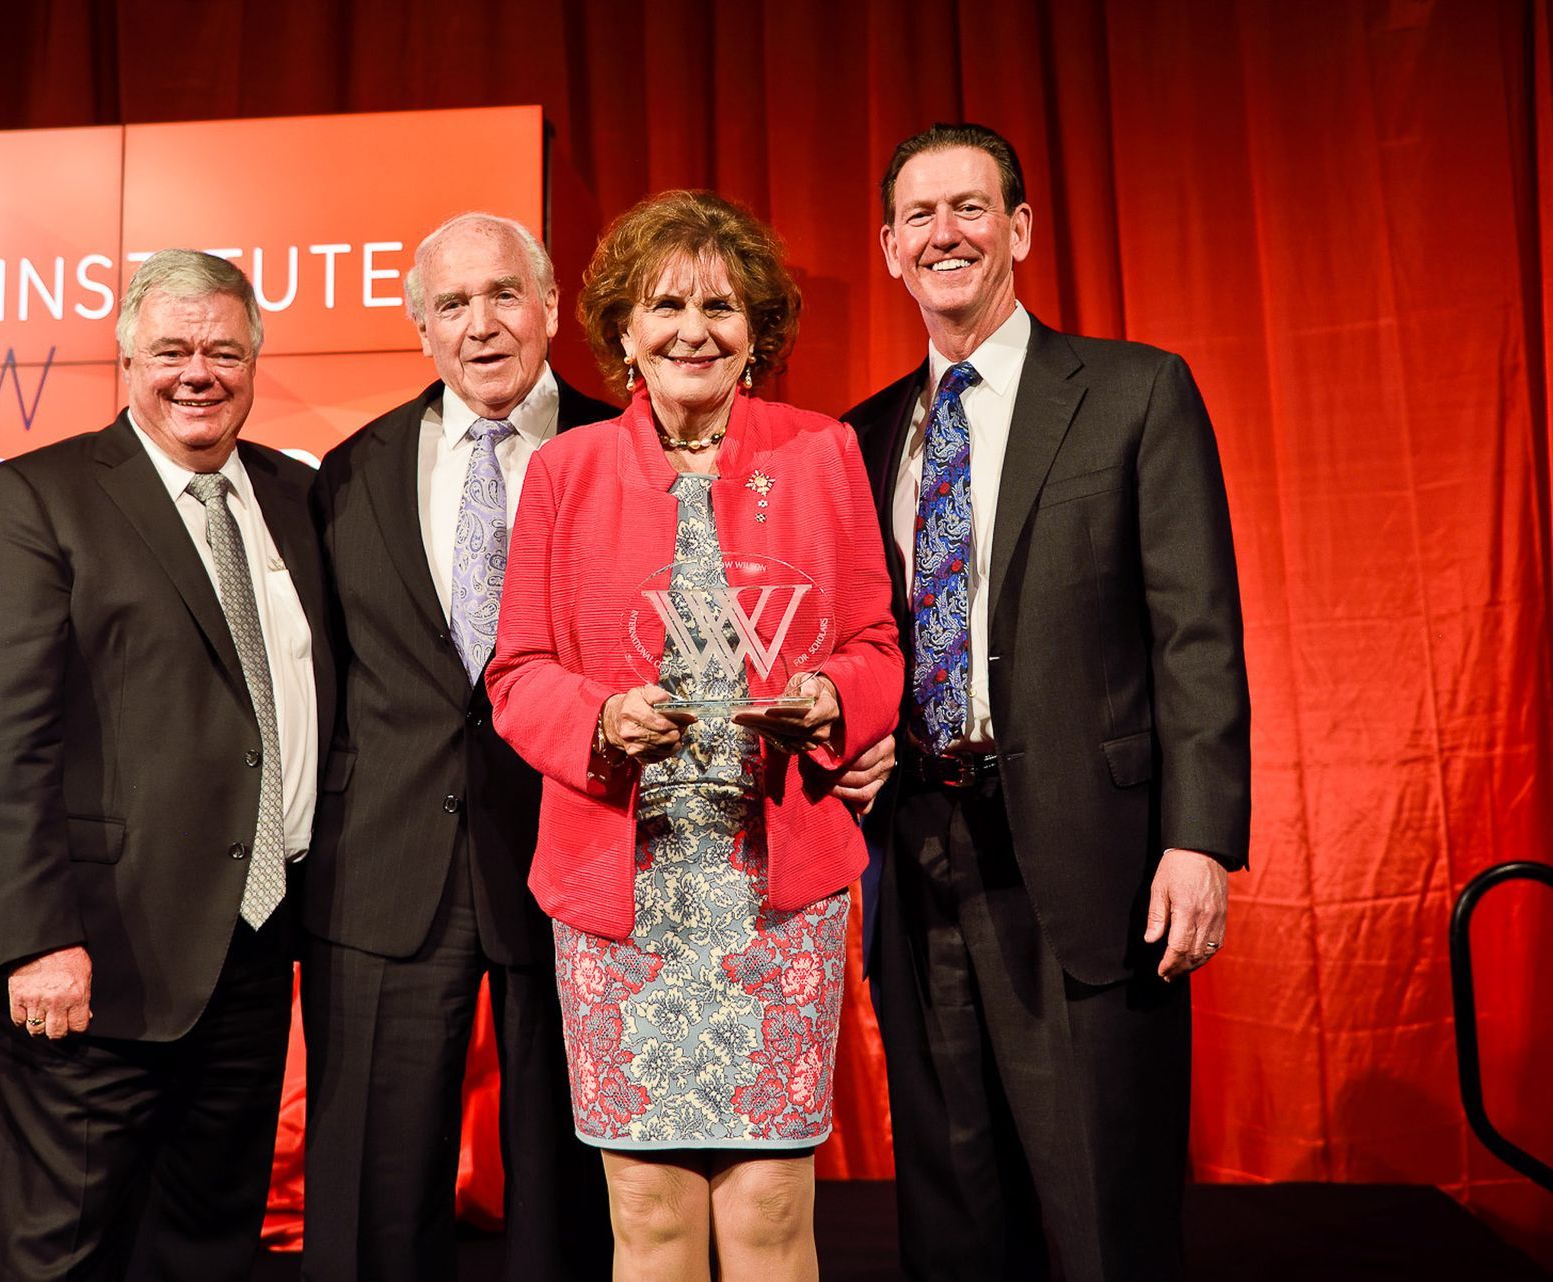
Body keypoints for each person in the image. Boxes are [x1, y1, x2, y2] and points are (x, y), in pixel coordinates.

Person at [840, 122, 1250, 1282]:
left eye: (970, 208)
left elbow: (1196, 631)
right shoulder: (864, 436)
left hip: (1090, 861)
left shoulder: (1133, 392)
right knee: (953, 1218)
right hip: (916, 860)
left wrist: (1200, 840)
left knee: (1103, 1217)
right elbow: (862, 641)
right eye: (919, 217)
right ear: (889, 249)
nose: (945, 234)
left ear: (1018, 229)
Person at [487, 190, 900, 1282]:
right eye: (666, 305)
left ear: (757, 331)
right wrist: (600, 719)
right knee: (651, 1215)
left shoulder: (823, 453)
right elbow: (517, 672)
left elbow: (876, 643)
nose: (692, 330)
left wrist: (832, 696)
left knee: (769, 1211)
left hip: (778, 890)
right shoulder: (565, 471)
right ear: (623, 331)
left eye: (720, 306)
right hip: (621, 895)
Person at [0, 249, 333, 1281]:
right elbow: (1, 741)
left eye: (223, 351)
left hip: (255, 952)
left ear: (255, 362)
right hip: (93, 962)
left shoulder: (301, 496)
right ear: (126, 361)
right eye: (171, 351)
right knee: (61, 1256)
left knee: (207, 1247)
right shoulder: (39, 496)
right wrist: (37, 940)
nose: (197, 372)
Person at [300, 212, 613, 1282]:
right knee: (370, 1202)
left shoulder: (626, 451)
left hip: (578, 861)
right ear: (421, 328)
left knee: (577, 1200)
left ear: (551, 307)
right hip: (385, 871)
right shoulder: (350, 471)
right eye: (452, 304)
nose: (481, 325)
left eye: (503, 294)